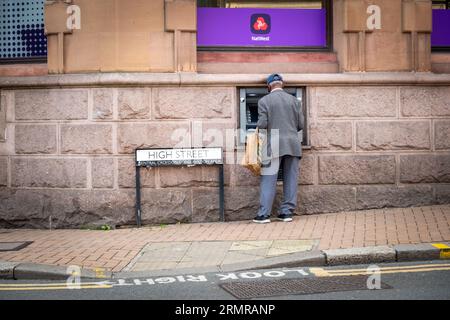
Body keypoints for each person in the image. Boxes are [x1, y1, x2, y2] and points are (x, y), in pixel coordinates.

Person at [253, 74, 304, 224]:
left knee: (269, 178)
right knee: (291, 178)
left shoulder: (264, 101)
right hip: (293, 144)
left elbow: (262, 124)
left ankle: (264, 215)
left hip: (273, 143)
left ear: (269, 86)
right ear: (282, 84)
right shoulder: (294, 101)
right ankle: (286, 213)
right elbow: (300, 125)